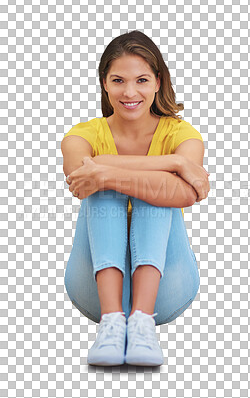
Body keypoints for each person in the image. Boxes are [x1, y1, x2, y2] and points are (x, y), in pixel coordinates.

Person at [61, 30, 210, 367]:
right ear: (105, 83)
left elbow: (186, 194)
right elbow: (79, 181)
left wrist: (105, 171)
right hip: (93, 291)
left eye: (142, 80)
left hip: (167, 287)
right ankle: (112, 323)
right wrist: (173, 163)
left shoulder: (181, 134)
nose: (130, 92)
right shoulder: (81, 135)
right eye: (118, 80)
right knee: (107, 189)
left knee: (146, 188)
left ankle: (142, 322)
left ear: (158, 82)